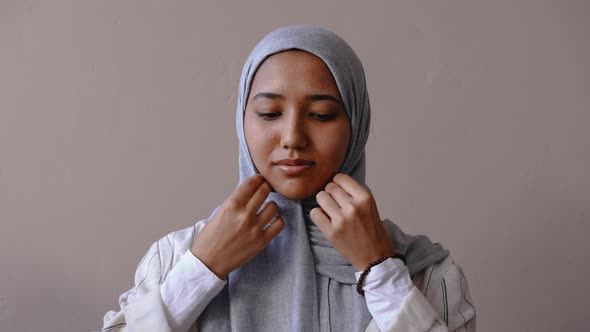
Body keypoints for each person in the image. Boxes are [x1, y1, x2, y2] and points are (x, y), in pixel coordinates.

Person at [100, 25, 476, 332]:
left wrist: (380, 273)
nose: (293, 136)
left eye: (322, 115)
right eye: (268, 113)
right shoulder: (174, 259)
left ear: (356, 126)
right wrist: (201, 271)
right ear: (242, 122)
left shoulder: (425, 272)